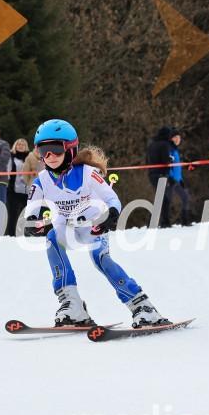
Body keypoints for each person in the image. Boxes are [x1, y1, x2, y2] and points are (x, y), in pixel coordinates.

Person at [24, 119, 171, 329]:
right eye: (43, 150)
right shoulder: (42, 179)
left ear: (71, 149)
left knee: (100, 258)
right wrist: (32, 223)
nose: (49, 156)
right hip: (68, 227)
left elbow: (112, 200)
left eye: (55, 149)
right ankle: (71, 305)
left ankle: (143, 306)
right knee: (52, 241)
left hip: (94, 225)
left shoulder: (86, 173)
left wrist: (111, 215)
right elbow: (32, 210)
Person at [146, 126, 174, 227]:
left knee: (160, 198)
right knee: (164, 200)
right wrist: (171, 158)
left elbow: (146, 161)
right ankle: (164, 223)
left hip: (151, 174)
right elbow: (165, 161)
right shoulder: (164, 144)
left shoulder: (151, 145)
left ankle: (155, 223)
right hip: (161, 174)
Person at [6, 138, 30, 235]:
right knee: (13, 214)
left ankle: (28, 233)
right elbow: (7, 172)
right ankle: (11, 235)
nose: (20, 146)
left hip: (27, 190)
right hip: (14, 190)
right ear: (15, 146)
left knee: (28, 213)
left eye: (23, 145)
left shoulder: (30, 157)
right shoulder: (10, 157)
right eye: (18, 144)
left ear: (26, 147)